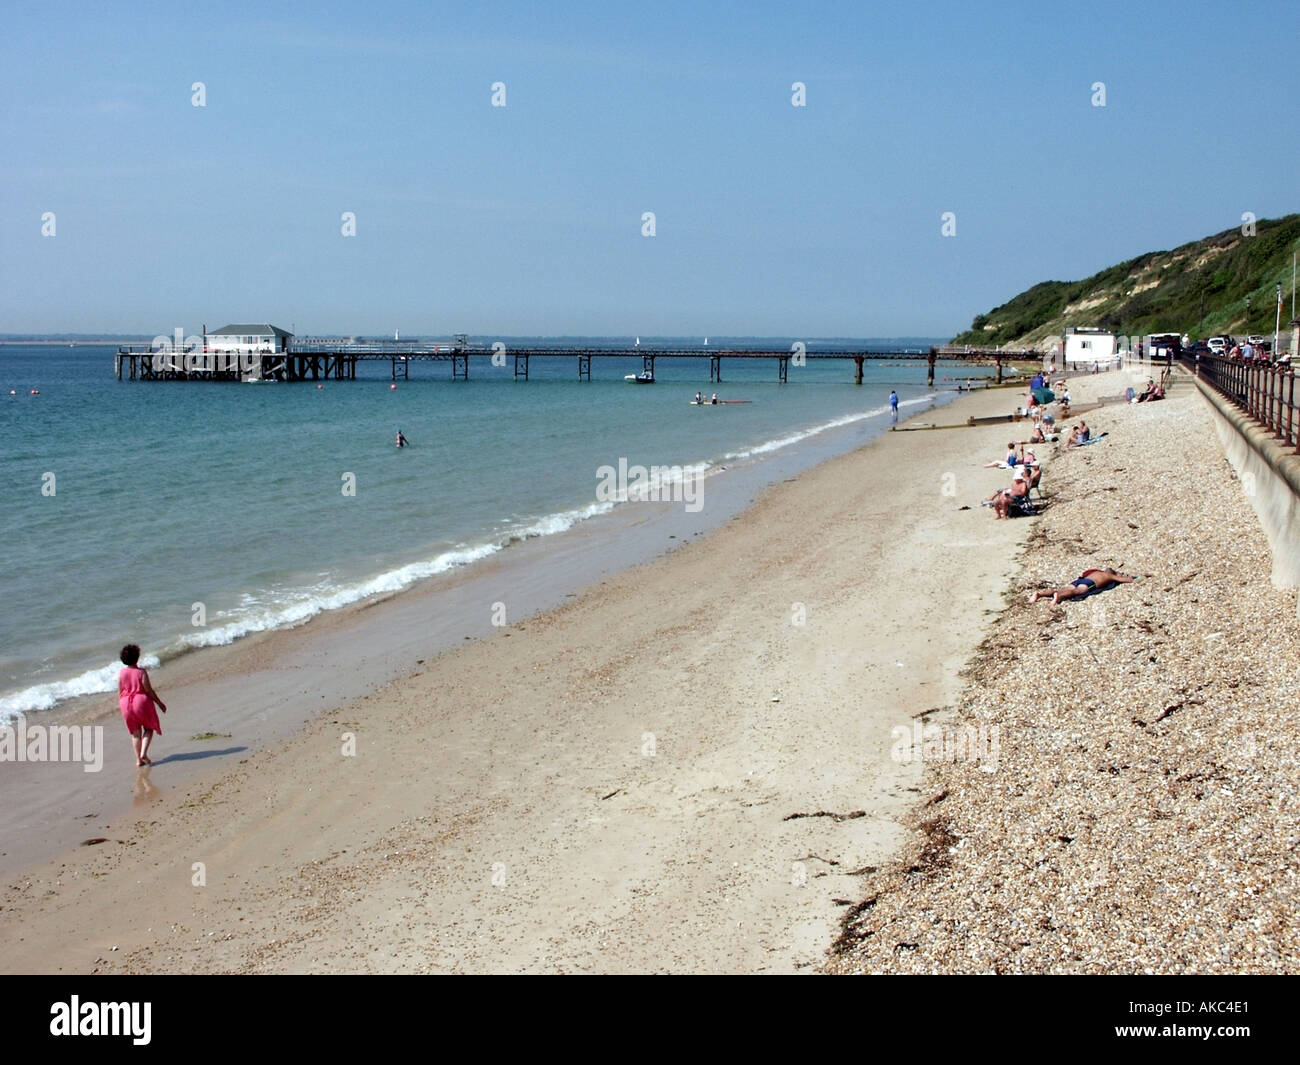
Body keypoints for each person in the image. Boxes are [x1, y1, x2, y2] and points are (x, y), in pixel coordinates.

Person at [118, 644, 166, 767]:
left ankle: (138, 760)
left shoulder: (121, 673)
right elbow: (148, 690)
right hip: (140, 701)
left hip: (125, 703)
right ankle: (143, 753)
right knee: (149, 728)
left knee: (135, 733)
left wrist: (122, 707)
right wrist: (159, 703)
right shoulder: (141, 672)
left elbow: (120, 692)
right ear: (137, 658)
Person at [1028, 568, 1136, 605]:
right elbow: (1128, 580)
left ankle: (1040, 594)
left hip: (1080, 580)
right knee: (1076, 592)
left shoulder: (1096, 572)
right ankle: (1058, 597)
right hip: (1089, 583)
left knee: (1067, 588)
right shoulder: (1110, 576)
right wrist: (1137, 578)